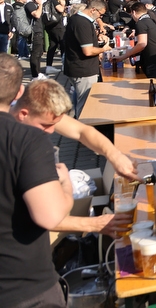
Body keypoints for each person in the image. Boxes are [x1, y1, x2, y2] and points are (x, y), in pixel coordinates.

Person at [11, 77, 135, 237]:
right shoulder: (18, 147)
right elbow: (46, 216)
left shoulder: (32, 115)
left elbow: (82, 131)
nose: (50, 131)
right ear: (23, 114)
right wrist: (95, 223)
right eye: (45, 125)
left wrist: (114, 155)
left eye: (54, 125)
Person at [0, 53, 74, 308]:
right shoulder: (27, 139)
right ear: (19, 91)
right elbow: (50, 216)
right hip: (24, 288)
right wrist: (66, 188)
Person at [62, 0, 112, 115]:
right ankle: (82, 130)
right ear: (93, 10)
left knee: (79, 100)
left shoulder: (76, 19)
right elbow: (88, 51)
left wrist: (96, 39)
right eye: (100, 14)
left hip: (77, 67)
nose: (100, 17)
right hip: (83, 70)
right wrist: (103, 49)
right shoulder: (82, 23)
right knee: (85, 107)